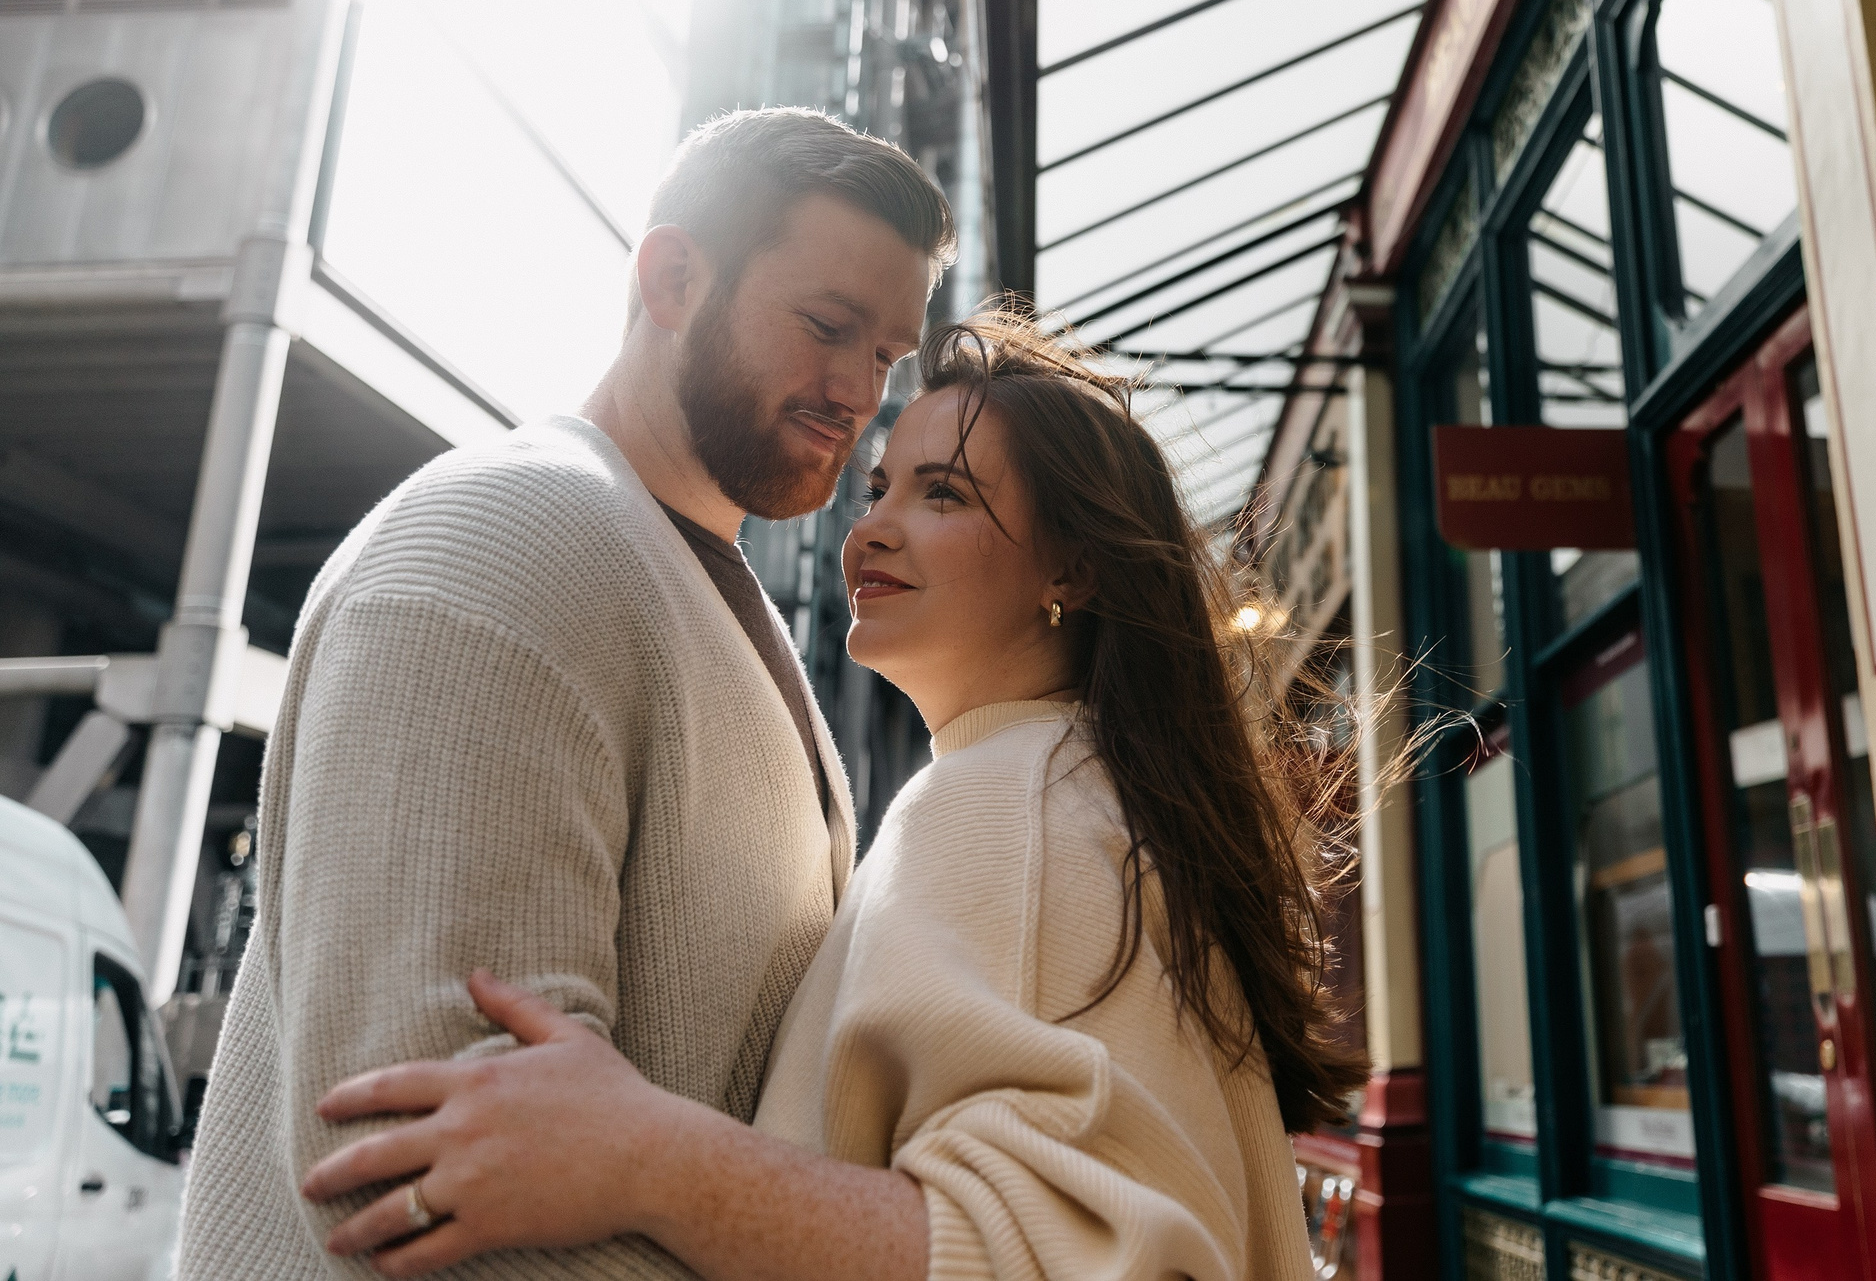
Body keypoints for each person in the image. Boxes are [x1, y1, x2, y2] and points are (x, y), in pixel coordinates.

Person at [294, 314, 1364, 1280]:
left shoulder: (1014, 802)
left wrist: (647, 1157)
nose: (873, 530)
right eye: (879, 488)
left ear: (1071, 574)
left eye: (942, 493)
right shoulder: (1065, 791)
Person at [177, 108, 951, 1279]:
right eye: (827, 327)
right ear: (673, 276)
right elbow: (419, 1178)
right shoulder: (508, 545)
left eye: (886, 354)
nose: (857, 391)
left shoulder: (695, 588)